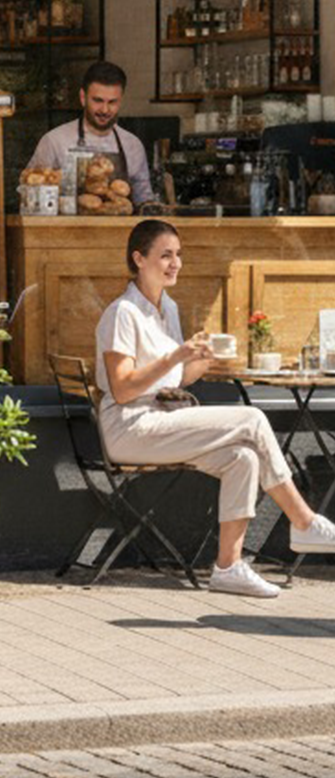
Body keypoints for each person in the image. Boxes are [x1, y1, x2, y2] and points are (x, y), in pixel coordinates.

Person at [95, 218, 335, 597]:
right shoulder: (122, 313)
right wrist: (176, 355)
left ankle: (228, 567)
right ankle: (303, 521)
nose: (174, 263)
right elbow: (123, 389)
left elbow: (177, 379)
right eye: (165, 255)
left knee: (242, 457)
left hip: (164, 420)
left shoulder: (166, 308)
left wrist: (203, 359)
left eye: (178, 255)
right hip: (130, 427)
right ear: (139, 259)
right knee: (253, 418)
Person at [26, 61, 153, 206]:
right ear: (82, 97)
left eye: (112, 102)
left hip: (118, 228)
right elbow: (29, 194)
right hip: (65, 228)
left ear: (121, 101)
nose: (105, 110)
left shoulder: (133, 145)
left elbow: (144, 201)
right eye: (98, 101)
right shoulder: (54, 141)